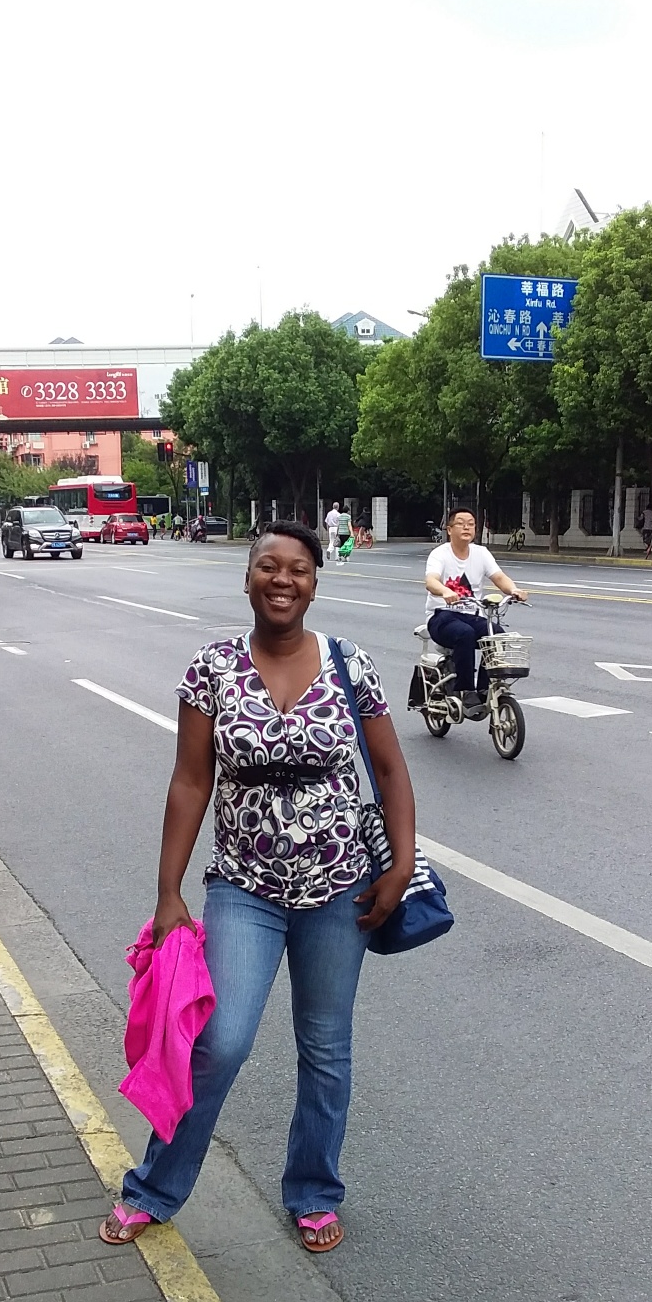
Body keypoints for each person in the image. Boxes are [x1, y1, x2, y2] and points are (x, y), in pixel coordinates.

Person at [99, 521, 416, 1254]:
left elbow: (391, 770)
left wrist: (398, 865)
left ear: (314, 582)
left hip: (340, 889)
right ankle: (154, 1188)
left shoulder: (349, 664)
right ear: (247, 578)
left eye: (298, 569)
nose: (283, 580)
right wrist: (169, 893)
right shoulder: (213, 668)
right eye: (269, 567)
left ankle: (313, 1192)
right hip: (244, 886)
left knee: (326, 1047)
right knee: (220, 1041)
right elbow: (191, 781)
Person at [424, 507, 526, 717]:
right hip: (442, 616)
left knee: (496, 635)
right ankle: (466, 690)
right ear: (449, 529)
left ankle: (483, 688)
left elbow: (499, 577)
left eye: (470, 524)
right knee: (465, 634)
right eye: (461, 523)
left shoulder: (481, 553)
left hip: (472, 615)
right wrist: (445, 591)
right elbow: (431, 581)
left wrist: (513, 590)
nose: (466, 527)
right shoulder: (440, 554)